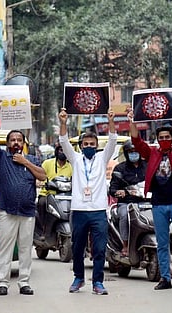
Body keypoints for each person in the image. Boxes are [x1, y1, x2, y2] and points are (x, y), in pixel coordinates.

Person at [129, 103, 172, 290]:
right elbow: (137, 142)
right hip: (158, 204)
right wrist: (131, 121)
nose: (164, 139)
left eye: (167, 137)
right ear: (157, 139)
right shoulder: (152, 153)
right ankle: (165, 278)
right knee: (162, 243)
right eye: (161, 137)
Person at [0, 104, 46, 296]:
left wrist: (25, 162)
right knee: (4, 247)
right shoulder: (2, 157)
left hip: (28, 211)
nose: (15, 142)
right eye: (12, 140)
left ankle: (24, 282)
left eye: (18, 140)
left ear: (23, 143)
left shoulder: (32, 159)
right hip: (6, 210)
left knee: (25, 248)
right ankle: (3, 282)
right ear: (7, 143)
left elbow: (43, 176)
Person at [59, 107, 117, 295]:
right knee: (77, 248)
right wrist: (63, 122)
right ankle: (79, 278)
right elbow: (63, 141)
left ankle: (98, 282)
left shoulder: (102, 158)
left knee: (99, 249)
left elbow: (113, 140)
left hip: (99, 211)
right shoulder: (75, 159)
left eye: (92, 143)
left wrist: (110, 121)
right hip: (79, 210)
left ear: (97, 145)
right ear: (81, 146)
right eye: (86, 144)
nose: (89, 146)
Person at [109, 140, 147, 257]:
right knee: (125, 215)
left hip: (145, 203)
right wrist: (119, 192)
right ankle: (125, 244)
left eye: (136, 151)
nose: (134, 154)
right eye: (130, 151)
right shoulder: (120, 169)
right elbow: (112, 189)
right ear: (126, 153)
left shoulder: (148, 166)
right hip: (127, 203)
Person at [36, 144, 72, 240]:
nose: (62, 152)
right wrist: (40, 183)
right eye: (60, 150)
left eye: (65, 150)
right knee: (42, 203)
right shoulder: (47, 163)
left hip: (65, 196)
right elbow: (39, 175)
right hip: (47, 194)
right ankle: (44, 230)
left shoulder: (71, 166)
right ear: (56, 151)